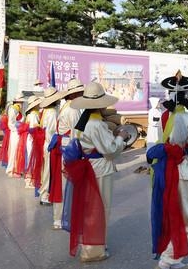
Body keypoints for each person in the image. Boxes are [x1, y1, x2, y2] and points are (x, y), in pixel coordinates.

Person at [65, 82, 130, 263]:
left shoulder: (82, 121)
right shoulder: (96, 124)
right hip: (99, 168)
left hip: (86, 166)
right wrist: (121, 137)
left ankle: (92, 243)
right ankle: (93, 250)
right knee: (99, 209)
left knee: (89, 207)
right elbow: (110, 150)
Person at [148, 71, 188, 269]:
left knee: (169, 212)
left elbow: (161, 142)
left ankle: (170, 255)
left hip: (165, 170)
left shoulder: (165, 116)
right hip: (185, 171)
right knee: (187, 216)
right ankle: (170, 258)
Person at [47, 78, 84, 230]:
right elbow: (76, 135)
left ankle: (60, 217)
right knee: (65, 185)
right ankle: (63, 218)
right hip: (68, 149)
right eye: (80, 92)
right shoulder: (73, 110)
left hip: (62, 147)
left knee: (61, 184)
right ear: (75, 94)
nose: (82, 94)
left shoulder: (67, 107)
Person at [37, 87, 59, 205]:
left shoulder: (46, 111)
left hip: (45, 142)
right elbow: (51, 132)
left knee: (45, 170)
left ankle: (44, 192)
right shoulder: (52, 112)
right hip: (49, 144)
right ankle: (45, 195)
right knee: (48, 171)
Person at [24, 95, 46, 191]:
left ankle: (30, 179)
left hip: (31, 139)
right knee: (32, 159)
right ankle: (29, 180)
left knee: (31, 159)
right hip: (33, 140)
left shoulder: (32, 114)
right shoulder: (34, 115)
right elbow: (33, 129)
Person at [5, 93, 24, 177]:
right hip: (15, 133)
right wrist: (18, 128)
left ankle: (16, 169)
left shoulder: (18, 108)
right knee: (14, 151)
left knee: (18, 151)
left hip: (19, 132)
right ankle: (11, 170)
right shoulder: (13, 109)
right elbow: (10, 123)